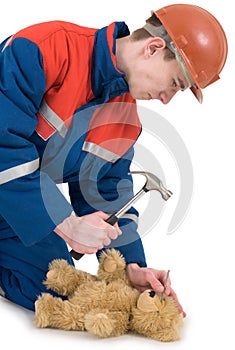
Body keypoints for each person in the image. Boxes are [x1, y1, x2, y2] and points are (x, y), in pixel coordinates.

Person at [0, 3, 227, 315]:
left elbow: (105, 191)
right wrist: (64, 224)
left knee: (56, 287)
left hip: (15, 209)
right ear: (153, 48)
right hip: (13, 190)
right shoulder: (46, 47)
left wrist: (129, 268)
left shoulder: (125, 121)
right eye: (174, 84)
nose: (166, 99)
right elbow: (3, 144)